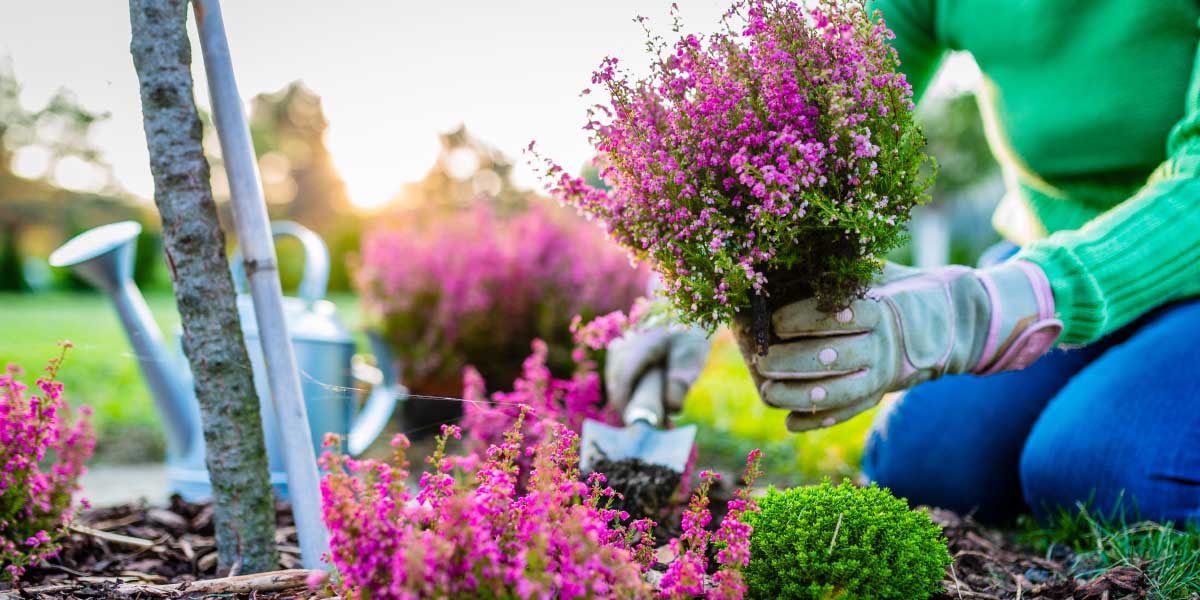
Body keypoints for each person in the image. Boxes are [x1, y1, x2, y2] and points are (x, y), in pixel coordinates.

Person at [607, 0, 1200, 524]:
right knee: (924, 462)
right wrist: (687, 291)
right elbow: (809, 119)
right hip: (1046, 249)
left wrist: (982, 310)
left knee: (1098, 467)